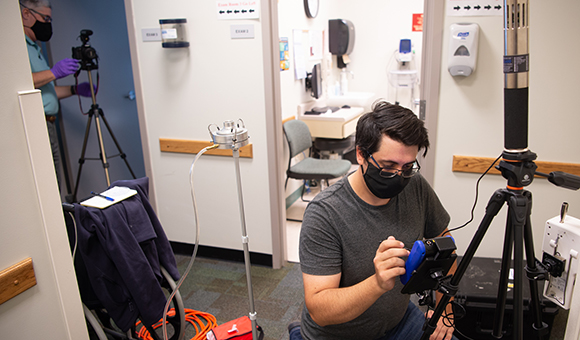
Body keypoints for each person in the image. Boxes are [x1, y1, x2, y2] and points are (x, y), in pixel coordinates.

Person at [291, 101, 458, 340]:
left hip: (398, 322)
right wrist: (378, 283)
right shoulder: (325, 212)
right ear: (361, 154)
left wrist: (445, 309)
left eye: (407, 166)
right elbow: (319, 310)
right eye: (389, 167)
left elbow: (445, 244)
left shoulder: (416, 185)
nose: (399, 176)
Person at [21, 0, 94, 189]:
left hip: (50, 124)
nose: (48, 24)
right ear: (26, 14)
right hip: (36, 123)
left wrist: (74, 90)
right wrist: (54, 72)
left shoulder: (35, 48)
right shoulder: (18, 49)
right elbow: (20, 83)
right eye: (45, 18)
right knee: (47, 184)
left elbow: (45, 90)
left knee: (55, 180)